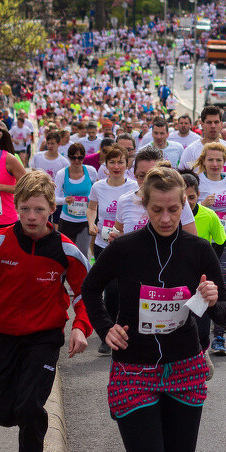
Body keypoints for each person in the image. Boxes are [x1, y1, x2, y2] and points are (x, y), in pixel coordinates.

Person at [82, 167, 226, 452]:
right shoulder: (125, 248)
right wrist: (104, 326)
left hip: (185, 367)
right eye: (157, 210)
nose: (165, 218)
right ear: (144, 206)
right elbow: (90, 287)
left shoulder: (199, 249)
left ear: (184, 206)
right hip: (133, 369)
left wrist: (211, 298)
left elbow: (225, 313)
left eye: (173, 209)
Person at [0, 170, 91, 452]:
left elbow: (87, 293)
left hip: (44, 337)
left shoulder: (66, 249)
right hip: (3, 336)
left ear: (51, 210)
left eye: (39, 209)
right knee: (2, 413)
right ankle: (32, 421)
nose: (32, 217)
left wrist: (81, 326)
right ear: (17, 206)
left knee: (29, 408)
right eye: (26, 208)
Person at [87, 145, 138, 354]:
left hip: (127, 247)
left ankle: (126, 330)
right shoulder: (98, 186)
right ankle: (106, 332)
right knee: (110, 289)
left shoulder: (134, 186)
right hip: (103, 244)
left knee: (123, 289)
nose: (116, 166)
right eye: (112, 162)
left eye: (120, 162)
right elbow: (91, 208)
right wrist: (91, 224)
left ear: (127, 165)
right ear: (105, 166)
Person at [191, 141, 226, 356]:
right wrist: (204, 205)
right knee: (200, 286)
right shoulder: (196, 182)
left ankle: (219, 336)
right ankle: (198, 335)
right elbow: (187, 210)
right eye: (210, 159)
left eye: (219, 160)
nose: (215, 163)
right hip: (203, 243)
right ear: (203, 161)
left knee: (221, 285)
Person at [53, 143, 98, 260]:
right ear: (68, 157)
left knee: (82, 253)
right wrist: (65, 200)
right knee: (65, 253)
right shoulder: (62, 173)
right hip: (67, 219)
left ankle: (82, 278)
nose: (77, 161)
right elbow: (54, 198)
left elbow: (97, 192)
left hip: (85, 220)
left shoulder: (91, 171)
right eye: (73, 158)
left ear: (84, 157)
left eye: (80, 158)